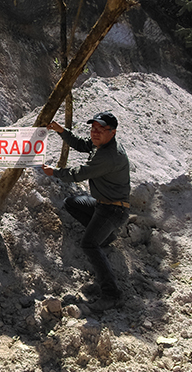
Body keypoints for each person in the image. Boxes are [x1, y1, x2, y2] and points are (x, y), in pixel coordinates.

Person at [42, 111, 130, 311]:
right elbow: (83, 145)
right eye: (94, 128)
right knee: (71, 203)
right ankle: (105, 238)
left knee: (88, 244)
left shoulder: (110, 156)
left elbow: (80, 173)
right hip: (101, 203)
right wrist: (61, 131)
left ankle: (112, 294)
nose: (95, 133)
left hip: (113, 210)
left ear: (113, 132)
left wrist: (54, 172)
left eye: (101, 129)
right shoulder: (102, 145)